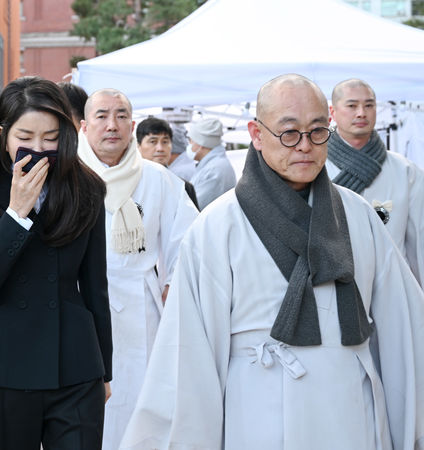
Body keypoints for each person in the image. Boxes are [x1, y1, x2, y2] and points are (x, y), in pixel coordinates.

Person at [121, 74, 424, 450]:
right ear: (257, 134)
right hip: (259, 409)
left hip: (350, 407)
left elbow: (404, 327)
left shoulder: (357, 214)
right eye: (289, 132)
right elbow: (189, 356)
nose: (305, 146)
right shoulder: (219, 225)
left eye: (317, 131)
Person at [0, 76, 112, 449]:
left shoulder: (87, 188)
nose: (39, 149)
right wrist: (16, 213)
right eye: (25, 137)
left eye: (51, 138)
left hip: (74, 363)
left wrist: (104, 369)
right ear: (2, 134)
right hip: (1, 363)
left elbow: (95, 286)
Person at [78, 88, 198, 450]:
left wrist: (172, 283)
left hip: (141, 310)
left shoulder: (158, 178)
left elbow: (189, 239)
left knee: (140, 411)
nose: (111, 125)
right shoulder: (67, 175)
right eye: (102, 116)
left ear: (132, 124)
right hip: (80, 306)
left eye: (121, 116)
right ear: (84, 126)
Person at [327, 78, 424, 285]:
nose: (361, 112)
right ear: (332, 112)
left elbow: (419, 243)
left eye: (369, 105)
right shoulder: (315, 167)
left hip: (394, 284)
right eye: (352, 105)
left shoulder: (405, 171)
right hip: (335, 283)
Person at [136, 116, 199, 209]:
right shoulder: (130, 185)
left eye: (165, 142)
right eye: (153, 141)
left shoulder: (184, 187)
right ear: (138, 146)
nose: (160, 148)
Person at [188, 117, 236, 209]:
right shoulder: (213, 165)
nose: (189, 145)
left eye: (191, 141)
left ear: (200, 143)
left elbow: (194, 207)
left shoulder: (214, 169)